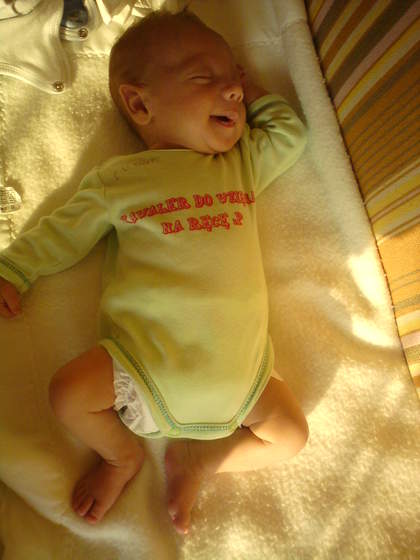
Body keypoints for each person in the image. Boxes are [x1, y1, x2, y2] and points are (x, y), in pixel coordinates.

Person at [0, 8, 309, 536]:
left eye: (235, 82)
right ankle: (121, 456)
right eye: (204, 77)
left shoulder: (238, 165)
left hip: (242, 379)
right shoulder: (121, 179)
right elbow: (64, 231)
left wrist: (248, 85)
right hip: (141, 368)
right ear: (140, 103)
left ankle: (203, 461)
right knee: (68, 394)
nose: (233, 91)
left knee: (291, 437)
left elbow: (289, 133)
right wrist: (15, 268)